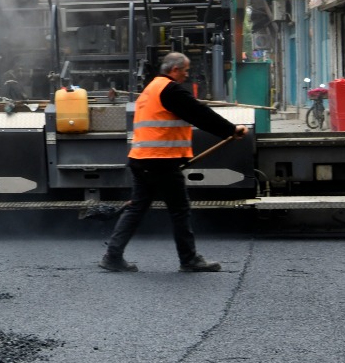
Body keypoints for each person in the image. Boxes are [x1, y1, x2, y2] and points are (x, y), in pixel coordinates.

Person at [100, 52, 247, 273]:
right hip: (161, 161)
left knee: (137, 208)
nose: (187, 75)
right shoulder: (170, 90)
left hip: (141, 160)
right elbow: (199, 113)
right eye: (186, 70)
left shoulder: (150, 90)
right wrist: (231, 130)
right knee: (179, 209)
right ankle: (189, 260)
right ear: (175, 70)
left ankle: (112, 256)